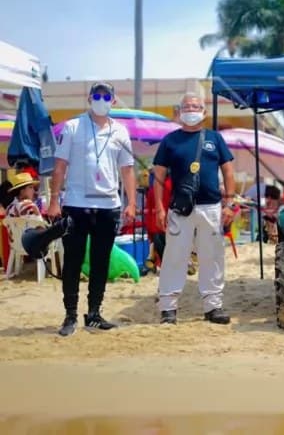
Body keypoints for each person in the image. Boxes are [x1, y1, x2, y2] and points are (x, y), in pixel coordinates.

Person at [48, 81, 137, 336]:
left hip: (108, 206)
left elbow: (128, 169)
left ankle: (94, 314)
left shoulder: (120, 132)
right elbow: (60, 166)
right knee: (73, 261)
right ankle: (70, 315)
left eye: (105, 95)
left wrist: (131, 203)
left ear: (113, 100)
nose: (100, 99)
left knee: (101, 262)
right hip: (77, 204)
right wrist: (54, 200)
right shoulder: (73, 127)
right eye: (96, 95)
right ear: (88, 99)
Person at [153, 93, 235, 325]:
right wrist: (159, 209)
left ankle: (213, 306)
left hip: (211, 207)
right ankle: (168, 307)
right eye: (186, 106)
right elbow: (158, 177)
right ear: (179, 112)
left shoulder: (215, 138)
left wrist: (229, 204)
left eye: (196, 106)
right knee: (174, 257)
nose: (191, 109)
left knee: (213, 257)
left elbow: (228, 172)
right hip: (180, 209)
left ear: (204, 112)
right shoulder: (170, 141)